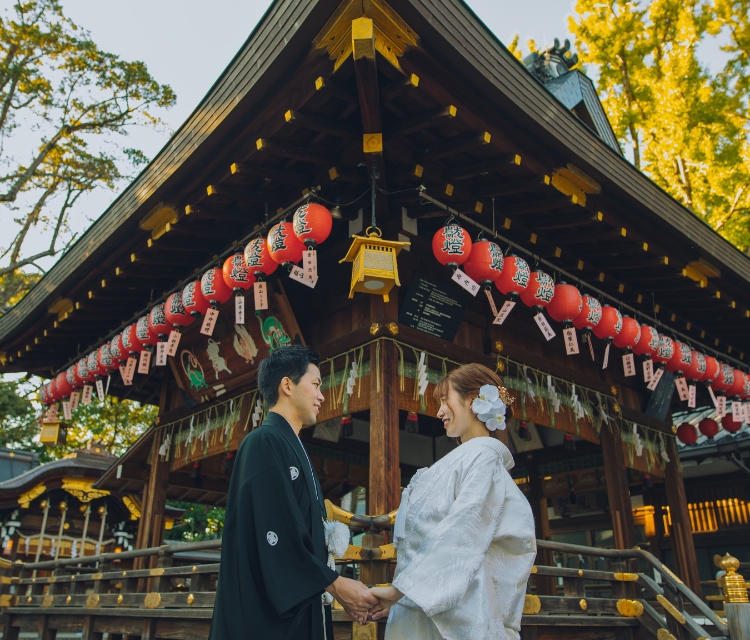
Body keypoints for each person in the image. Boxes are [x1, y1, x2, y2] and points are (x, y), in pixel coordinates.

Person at [209, 345, 378, 640]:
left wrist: (330, 584)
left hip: (301, 603)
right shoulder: (263, 441)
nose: (322, 396)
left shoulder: (290, 444)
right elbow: (275, 533)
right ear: (287, 385)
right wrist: (335, 584)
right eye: (315, 385)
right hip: (266, 616)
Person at [368, 363, 537, 640]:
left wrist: (401, 591)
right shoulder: (471, 459)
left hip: (459, 610)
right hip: (430, 603)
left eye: (445, 400)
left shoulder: (483, 458)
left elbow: (461, 534)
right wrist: (406, 596)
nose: (439, 411)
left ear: (473, 401)